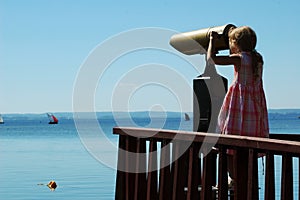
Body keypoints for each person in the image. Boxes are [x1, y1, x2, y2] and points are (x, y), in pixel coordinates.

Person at [206, 26, 269, 180]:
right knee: (248, 146)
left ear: (236, 43)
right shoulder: (258, 58)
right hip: (253, 108)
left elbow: (211, 60)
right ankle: (245, 180)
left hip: (239, 106)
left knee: (229, 143)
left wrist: (212, 42)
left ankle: (233, 178)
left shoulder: (239, 59)